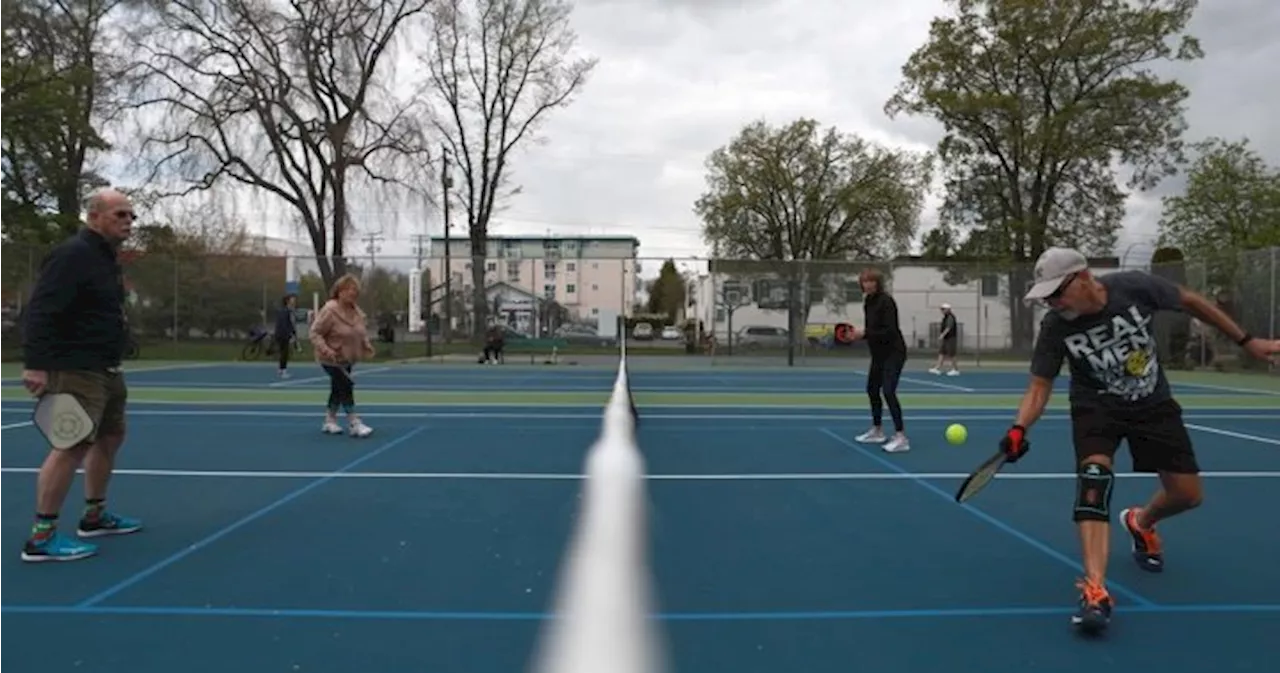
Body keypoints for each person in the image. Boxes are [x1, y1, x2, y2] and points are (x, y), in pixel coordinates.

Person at [1003, 247, 1280, 634]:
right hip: (1095, 407)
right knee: (1093, 482)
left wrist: (1248, 341)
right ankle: (1095, 590)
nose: (1052, 302)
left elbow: (1191, 301)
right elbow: (1039, 386)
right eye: (1047, 297)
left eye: (1057, 293)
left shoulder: (1133, 287)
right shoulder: (1056, 326)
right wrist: (1019, 428)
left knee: (1187, 494)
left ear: (1083, 278)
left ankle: (1141, 521)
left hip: (1153, 403)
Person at [19, 187, 143, 563]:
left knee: (111, 435)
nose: (128, 222)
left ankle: (94, 515)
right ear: (94, 217)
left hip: (105, 367)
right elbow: (41, 309)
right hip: (73, 368)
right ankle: (42, 537)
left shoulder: (106, 258)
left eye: (130, 216)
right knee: (70, 443)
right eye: (119, 214)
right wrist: (36, 363)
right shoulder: (73, 254)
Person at [309, 273, 376, 437]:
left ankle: (329, 421)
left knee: (337, 389)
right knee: (346, 385)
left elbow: (360, 331)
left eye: (354, 290)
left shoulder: (357, 312)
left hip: (347, 358)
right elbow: (314, 333)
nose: (352, 293)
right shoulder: (330, 310)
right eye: (348, 289)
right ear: (339, 291)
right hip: (330, 359)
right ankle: (354, 422)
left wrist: (366, 344)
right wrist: (326, 349)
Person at [851, 267, 910, 453]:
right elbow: (873, 332)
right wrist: (859, 336)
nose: (867, 284)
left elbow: (890, 331)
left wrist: (865, 334)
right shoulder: (868, 302)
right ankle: (877, 431)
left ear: (877, 283)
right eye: (864, 281)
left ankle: (901, 437)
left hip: (895, 352)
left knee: (889, 391)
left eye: (871, 281)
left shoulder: (887, 302)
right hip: (879, 354)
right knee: (871, 389)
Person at [928, 303, 960, 376]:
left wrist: (942, 335)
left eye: (943, 309)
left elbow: (948, 327)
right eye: (942, 309)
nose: (942, 311)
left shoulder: (950, 317)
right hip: (946, 338)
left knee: (951, 354)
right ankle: (937, 368)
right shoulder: (945, 317)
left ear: (948, 310)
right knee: (942, 352)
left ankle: (956, 369)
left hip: (951, 338)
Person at [274, 293, 298, 379]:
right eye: (292, 299)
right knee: (284, 353)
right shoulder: (285, 311)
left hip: (281, 334)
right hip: (282, 335)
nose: (294, 301)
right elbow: (284, 324)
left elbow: (290, 324)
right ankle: (283, 371)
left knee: (283, 353)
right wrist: (289, 335)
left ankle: (281, 369)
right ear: (287, 301)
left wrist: (293, 333)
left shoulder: (286, 310)